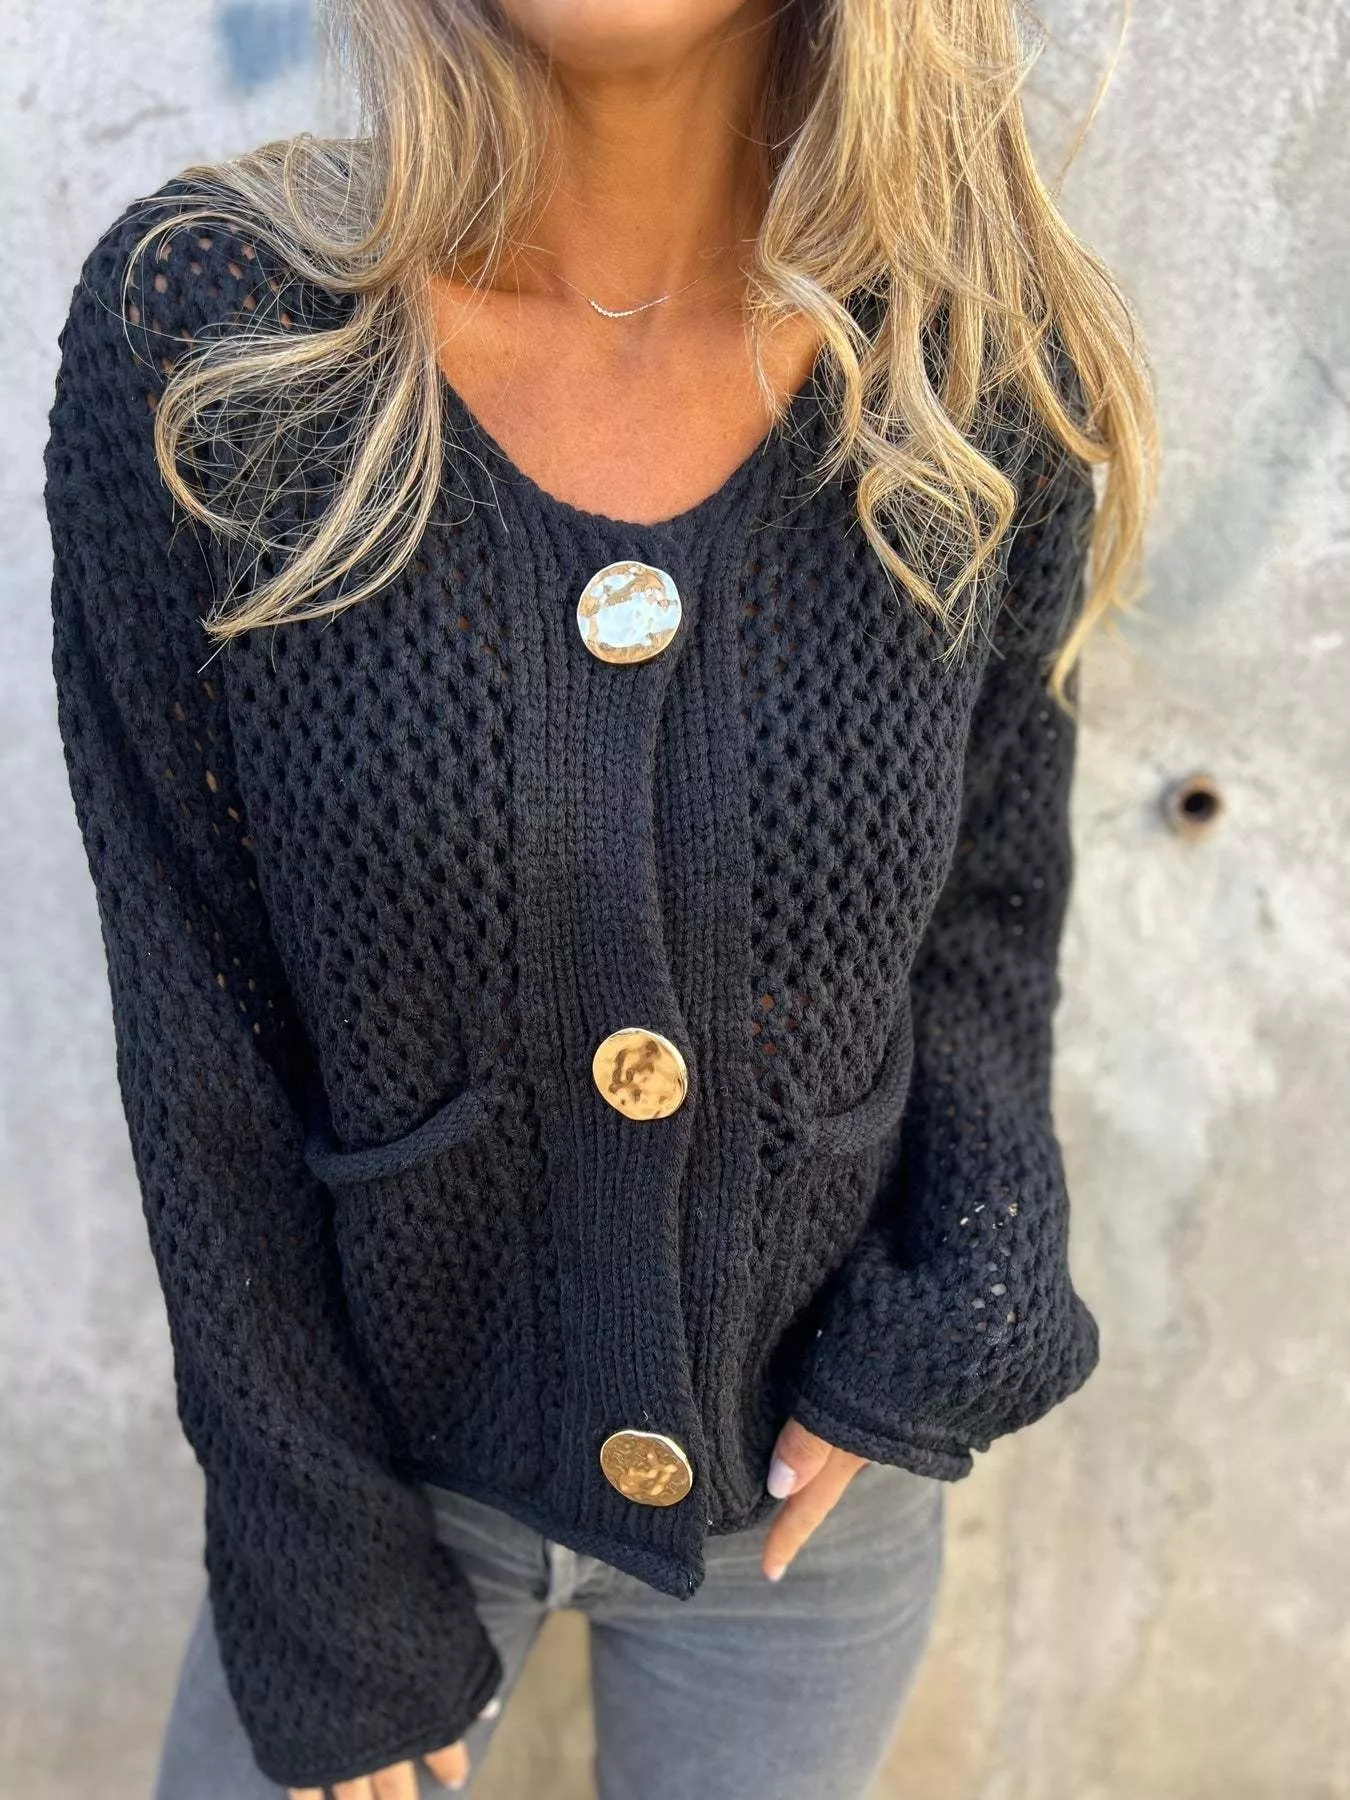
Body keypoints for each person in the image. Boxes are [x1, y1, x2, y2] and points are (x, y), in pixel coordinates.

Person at [44, 1, 1155, 1796]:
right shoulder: (215, 333)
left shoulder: (966, 370)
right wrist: (311, 1554)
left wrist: (969, 1288)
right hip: (382, 1479)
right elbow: (191, 1006)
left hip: (810, 1502)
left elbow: (987, 912)